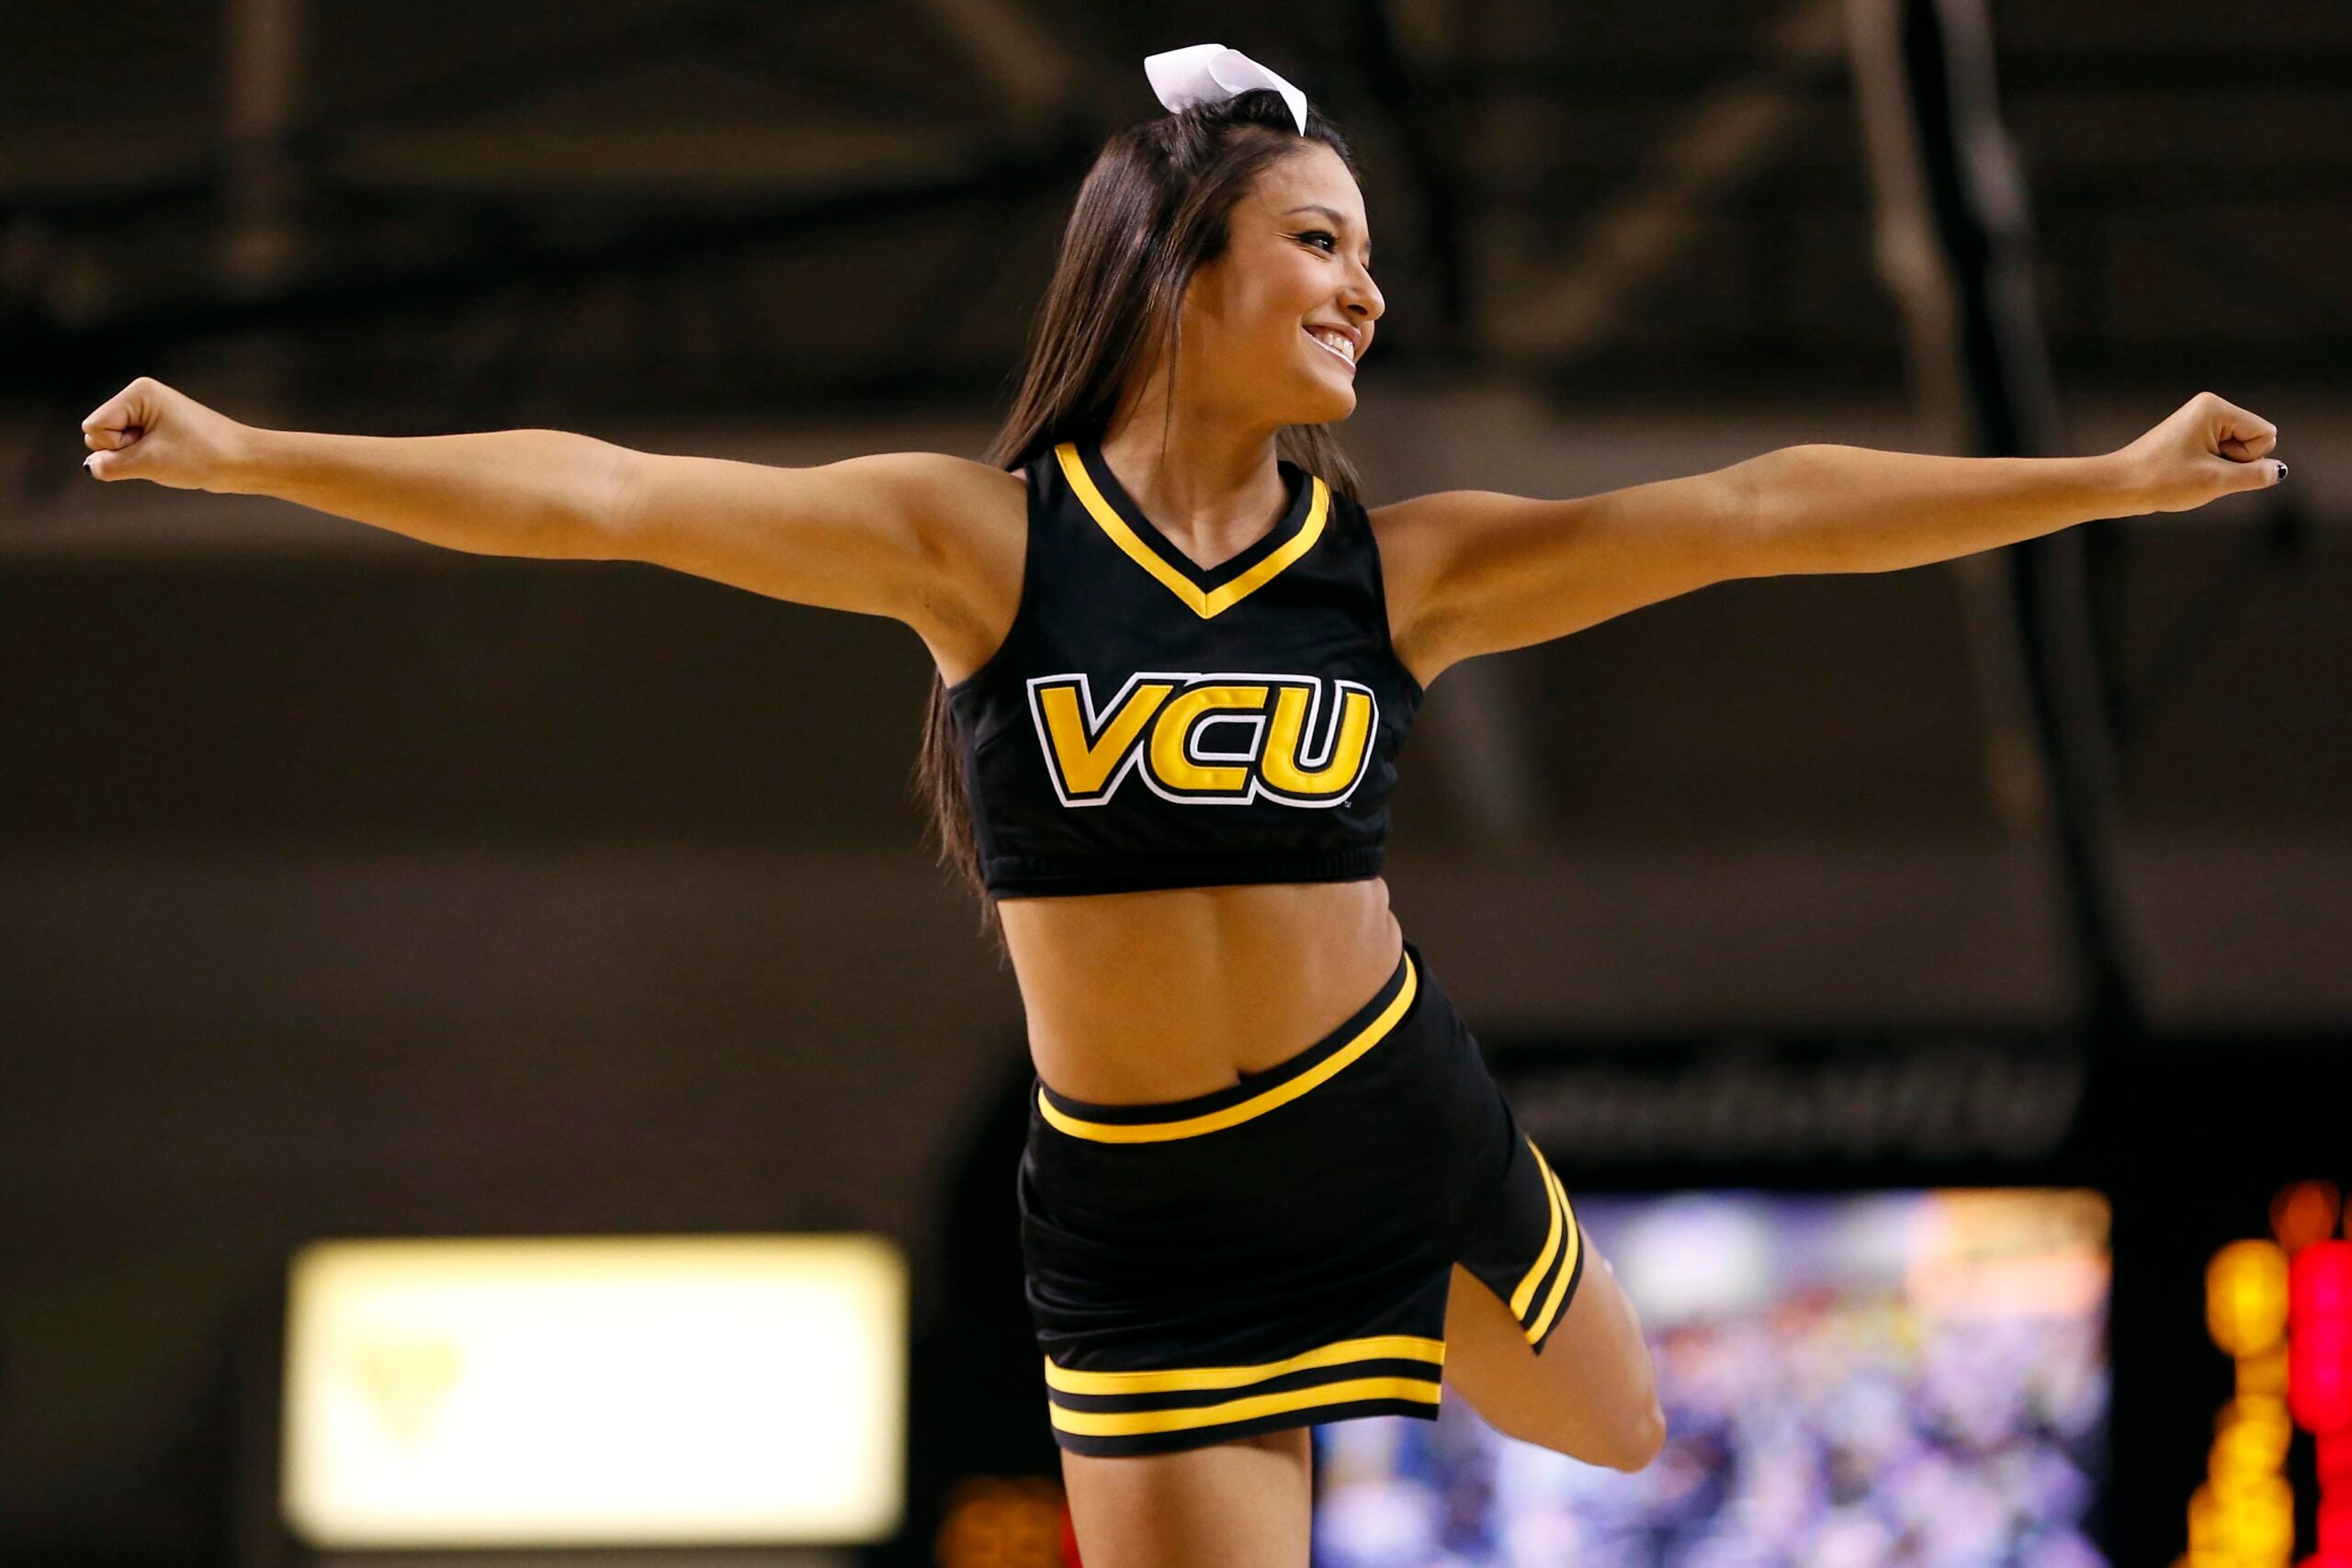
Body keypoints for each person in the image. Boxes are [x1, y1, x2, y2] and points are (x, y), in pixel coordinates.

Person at [77, 44, 2282, 1567]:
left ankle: (1407, 1328)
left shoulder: (1392, 569)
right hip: (1134, 1208)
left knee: (1620, 1422)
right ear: (1177, 267)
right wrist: (259, 452)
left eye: (1364, 252)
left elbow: (1757, 510)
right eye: (1318, 242)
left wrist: (2093, 475)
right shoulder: (981, 546)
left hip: (1378, 1103)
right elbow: (611, 497)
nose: (1364, 290)